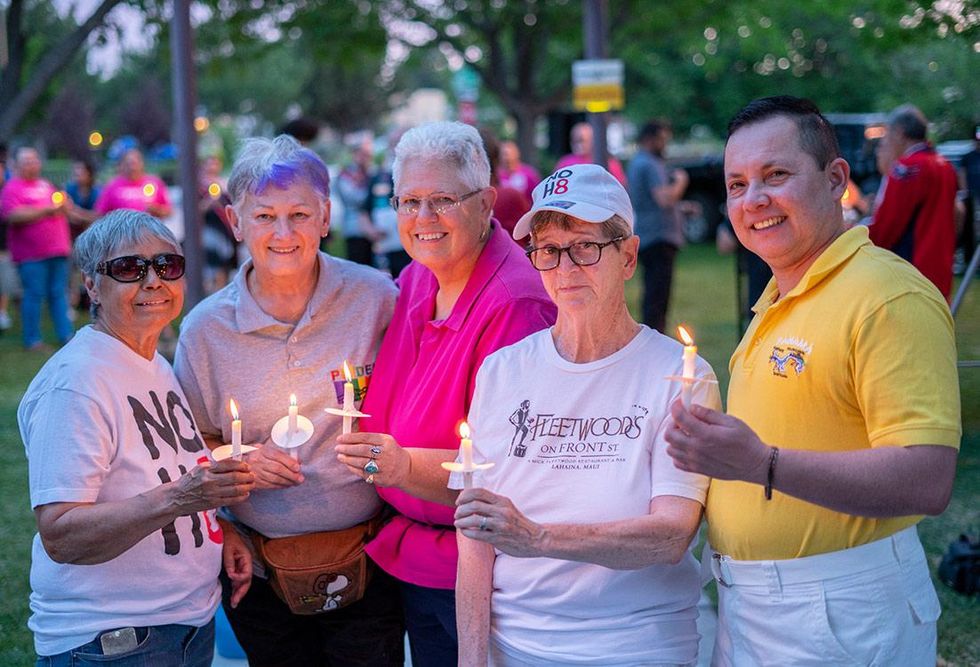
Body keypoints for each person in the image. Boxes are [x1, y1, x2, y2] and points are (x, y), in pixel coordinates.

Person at [665, 96, 960, 666]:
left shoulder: (886, 296)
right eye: (736, 184)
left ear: (835, 180)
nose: (754, 200)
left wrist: (759, 464)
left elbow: (929, 477)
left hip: (840, 610)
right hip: (751, 605)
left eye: (776, 175)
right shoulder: (782, 293)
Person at [452, 163, 720, 666]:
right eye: (549, 250)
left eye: (585, 247)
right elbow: (476, 536)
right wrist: (471, 658)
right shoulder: (502, 371)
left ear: (629, 256)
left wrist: (536, 537)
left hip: (635, 644)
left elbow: (670, 534)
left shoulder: (680, 376)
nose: (566, 269)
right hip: (515, 646)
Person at [173, 134, 403, 666]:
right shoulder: (206, 332)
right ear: (234, 222)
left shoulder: (376, 300)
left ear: (325, 216)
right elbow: (188, 447)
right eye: (264, 217)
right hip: (259, 570)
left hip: (371, 561)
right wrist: (240, 460)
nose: (283, 233)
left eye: (299, 214)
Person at [333, 121, 556, 666]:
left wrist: (403, 466)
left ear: (485, 203)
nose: (422, 219)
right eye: (408, 201)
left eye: (441, 201)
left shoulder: (515, 302)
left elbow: (509, 471)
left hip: (475, 569)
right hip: (402, 554)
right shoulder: (416, 278)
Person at [19, 209, 255, 665]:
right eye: (129, 268)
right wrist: (182, 499)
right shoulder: (77, 384)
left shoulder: (153, 364)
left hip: (181, 626)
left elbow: (156, 475)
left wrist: (217, 530)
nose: (154, 281)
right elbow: (62, 535)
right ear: (91, 285)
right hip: (113, 641)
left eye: (168, 265)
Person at [870, 104, 958, 299]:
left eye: (889, 134)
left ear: (900, 133)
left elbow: (888, 225)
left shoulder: (908, 168)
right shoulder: (945, 166)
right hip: (941, 268)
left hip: (912, 270)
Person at [0, 147, 74, 350]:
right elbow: (12, 215)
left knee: (58, 293)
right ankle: (33, 339)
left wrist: (65, 207)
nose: (31, 164)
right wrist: (47, 210)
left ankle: (66, 335)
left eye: (34, 160)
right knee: (34, 294)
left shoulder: (46, 185)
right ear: (16, 165)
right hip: (31, 254)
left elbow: (63, 209)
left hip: (57, 249)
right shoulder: (12, 188)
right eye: (26, 161)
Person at [628, 119, 689, 333]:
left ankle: (653, 334)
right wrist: (681, 181)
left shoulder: (641, 162)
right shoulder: (647, 163)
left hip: (651, 234)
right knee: (657, 296)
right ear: (650, 139)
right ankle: (654, 337)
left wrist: (683, 208)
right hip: (657, 237)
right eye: (662, 139)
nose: (665, 143)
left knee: (655, 294)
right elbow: (664, 199)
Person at [95, 148, 173, 218]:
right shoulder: (112, 185)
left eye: (135, 163)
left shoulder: (155, 183)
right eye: (128, 164)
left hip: (150, 231)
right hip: (122, 232)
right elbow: (100, 213)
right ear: (121, 165)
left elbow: (169, 212)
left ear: (142, 164)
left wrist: (157, 210)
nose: (132, 167)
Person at [337, 141, 380, 266]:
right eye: (361, 154)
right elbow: (355, 199)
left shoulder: (371, 172)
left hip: (373, 227)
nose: (364, 157)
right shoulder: (346, 175)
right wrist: (371, 193)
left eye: (367, 154)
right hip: (354, 228)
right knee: (358, 265)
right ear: (354, 154)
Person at [556, 121, 627, 186]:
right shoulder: (564, 162)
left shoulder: (609, 162)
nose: (578, 144)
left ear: (593, 140)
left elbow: (620, 187)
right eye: (575, 140)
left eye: (582, 140)